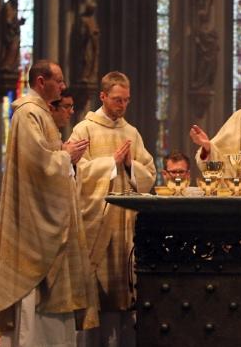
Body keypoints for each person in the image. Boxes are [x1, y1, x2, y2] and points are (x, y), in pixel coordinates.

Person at [0, 60, 98, 345]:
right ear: (40, 81)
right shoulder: (28, 115)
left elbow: (46, 158)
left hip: (50, 219)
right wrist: (65, 156)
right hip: (35, 230)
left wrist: (62, 154)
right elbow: (37, 164)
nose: (63, 87)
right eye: (58, 81)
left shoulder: (41, 115)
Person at [71, 71, 156, 346]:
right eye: (117, 100)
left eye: (126, 101)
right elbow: (76, 171)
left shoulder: (131, 132)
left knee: (124, 304)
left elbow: (150, 174)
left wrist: (130, 166)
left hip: (125, 230)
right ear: (103, 96)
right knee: (98, 306)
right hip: (98, 227)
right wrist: (111, 162)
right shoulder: (84, 129)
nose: (122, 106)